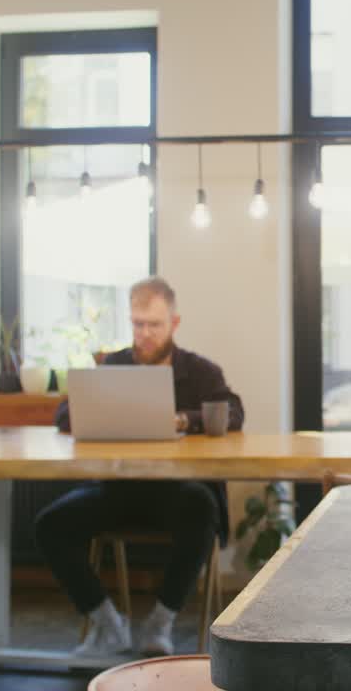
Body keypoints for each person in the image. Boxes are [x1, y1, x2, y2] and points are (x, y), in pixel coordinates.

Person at [34, 276, 244, 657]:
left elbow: (234, 413)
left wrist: (182, 420)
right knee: (50, 524)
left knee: (203, 506)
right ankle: (106, 621)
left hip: (178, 494)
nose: (144, 334)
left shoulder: (200, 371)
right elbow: (63, 413)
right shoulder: (112, 365)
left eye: (154, 325)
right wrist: (94, 409)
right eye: (137, 324)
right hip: (118, 490)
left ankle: (160, 622)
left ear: (174, 324)